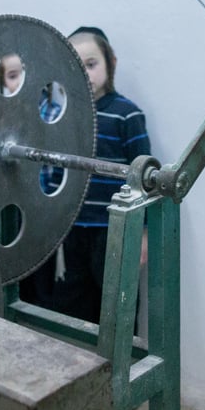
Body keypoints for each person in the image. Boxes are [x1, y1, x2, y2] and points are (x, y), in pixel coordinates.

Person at [21, 27, 151, 324]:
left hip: (114, 230)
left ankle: (119, 368)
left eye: (91, 65)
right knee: (74, 307)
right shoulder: (60, 116)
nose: (85, 74)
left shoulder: (126, 115)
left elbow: (144, 178)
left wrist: (142, 233)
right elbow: (53, 169)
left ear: (111, 63)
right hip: (71, 228)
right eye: (75, 67)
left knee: (118, 306)